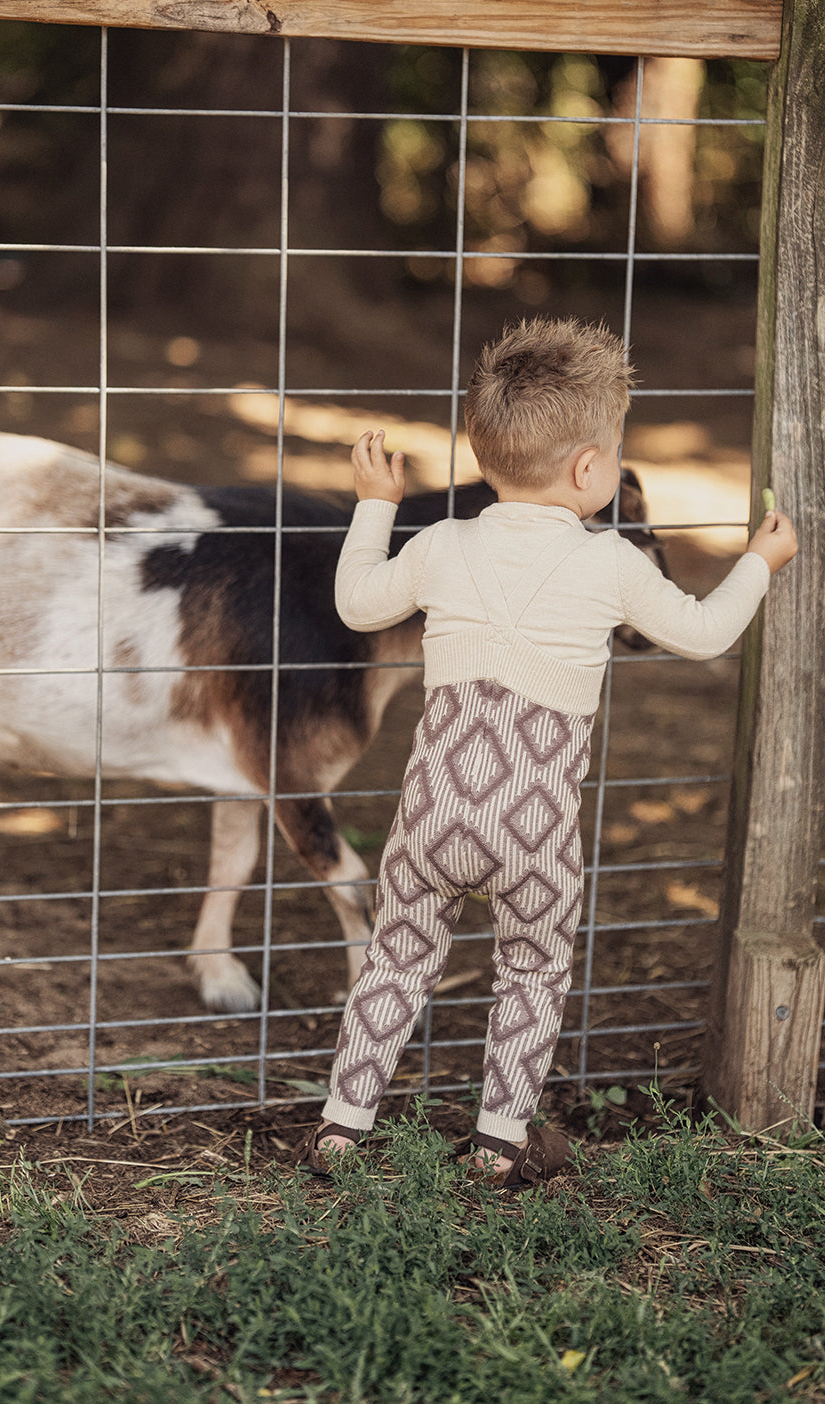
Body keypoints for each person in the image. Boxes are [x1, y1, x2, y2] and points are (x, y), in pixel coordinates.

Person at [296, 316, 797, 1191]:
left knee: (398, 956)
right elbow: (705, 633)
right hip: (533, 829)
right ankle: (498, 1145)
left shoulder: (442, 543)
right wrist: (759, 558)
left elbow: (357, 605)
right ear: (589, 468)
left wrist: (376, 503)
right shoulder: (613, 565)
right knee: (532, 969)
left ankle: (341, 1129)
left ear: (483, 454)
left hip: (431, 817)